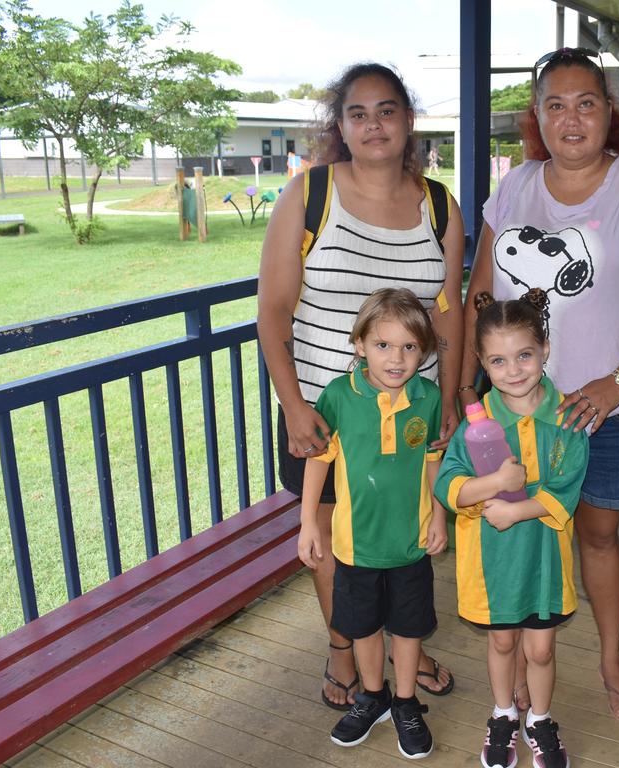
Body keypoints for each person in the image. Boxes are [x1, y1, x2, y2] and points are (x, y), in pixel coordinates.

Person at [459, 47, 619, 722]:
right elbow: (480, 292)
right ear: (537, 117)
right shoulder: (513, 188)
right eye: (556, 105)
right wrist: (466, 392)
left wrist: (616, 383)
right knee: (516, 532)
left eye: (586, 103)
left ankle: (609, 654)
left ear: (608, 113)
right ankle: (517, 688)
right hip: (512, 410)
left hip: (608, 414)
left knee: (596, 535)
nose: (571, 118)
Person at [258, 62, 463, 711]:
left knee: (404, 539)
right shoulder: (310, 195)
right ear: (341, 126)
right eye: (358, 113)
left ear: (408, 120)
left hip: (411, 417)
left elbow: (448, 311)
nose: (374, 124)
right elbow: (273, 308)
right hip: (328, 414)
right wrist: (293, 405)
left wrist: (451, 399)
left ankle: (403, 644)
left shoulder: (438, 202)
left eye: (388, 110)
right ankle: (343, 649)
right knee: (335, 548)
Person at [436, 289, 588, 768]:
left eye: (524, 355)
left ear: (544, 347)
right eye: (498, 360)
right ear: (482, 361)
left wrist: (516, 510)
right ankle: (503, 714)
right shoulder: (475, 423)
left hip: (544, 559)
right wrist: (493, 486)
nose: (514, 369)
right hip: (493, 559)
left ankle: (539, 719)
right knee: (502, 640)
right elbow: (448, 485)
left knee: (540, 649)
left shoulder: (567, 419)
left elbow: (567, 486)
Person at [298, 288, 447, 758]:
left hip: (409, 543)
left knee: (407, 627)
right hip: (355, 546)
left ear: (423, 351)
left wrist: (439, 514)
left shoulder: (428, 397)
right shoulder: (339, 396)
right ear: (358, 344)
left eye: (409, 347)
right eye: (383, 345)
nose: (397, 358)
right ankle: (373, 696)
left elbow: (432, 461)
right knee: (363, 627)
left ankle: (404, 701)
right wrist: (307, 523)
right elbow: (319, 460)